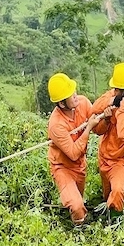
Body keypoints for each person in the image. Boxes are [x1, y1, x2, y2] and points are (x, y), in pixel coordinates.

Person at [91, 63, 124, 215]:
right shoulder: (113, 96)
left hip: (120, 161)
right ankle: (105, 208)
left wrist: (122, 108)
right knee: (107, 194)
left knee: (117, 192)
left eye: (117, 90)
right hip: (104, 157)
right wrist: (108, 114)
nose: (113, 92)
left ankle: (114, 221)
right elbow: (94, 111)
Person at [47, 73, 101, 225]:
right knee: (76, 205)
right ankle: (79, 232)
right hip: (63, 168)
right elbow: (72, 153)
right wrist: (88, 127)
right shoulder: (56, 125)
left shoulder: (83, 103)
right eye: (70, 95)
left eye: (74, 91)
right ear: (62, 104)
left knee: (79, 201)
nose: (75, 96)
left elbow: (97, 122)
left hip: (79, 165)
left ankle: (77, 218)